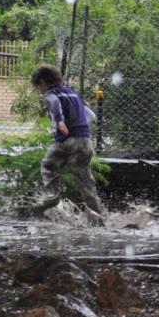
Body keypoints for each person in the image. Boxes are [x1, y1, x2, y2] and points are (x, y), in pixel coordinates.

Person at [31, 64, 104, 224]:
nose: (40, 91)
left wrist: (60, 121)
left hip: (66, 140)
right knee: (85, 181)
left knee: (48, 166)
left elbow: (54, 102)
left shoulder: (51, 93)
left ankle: (52, 197)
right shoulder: (73, 93)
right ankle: (98, 219)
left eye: (39, 87)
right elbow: (90, 115)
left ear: (44, 82)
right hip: (84, 140)